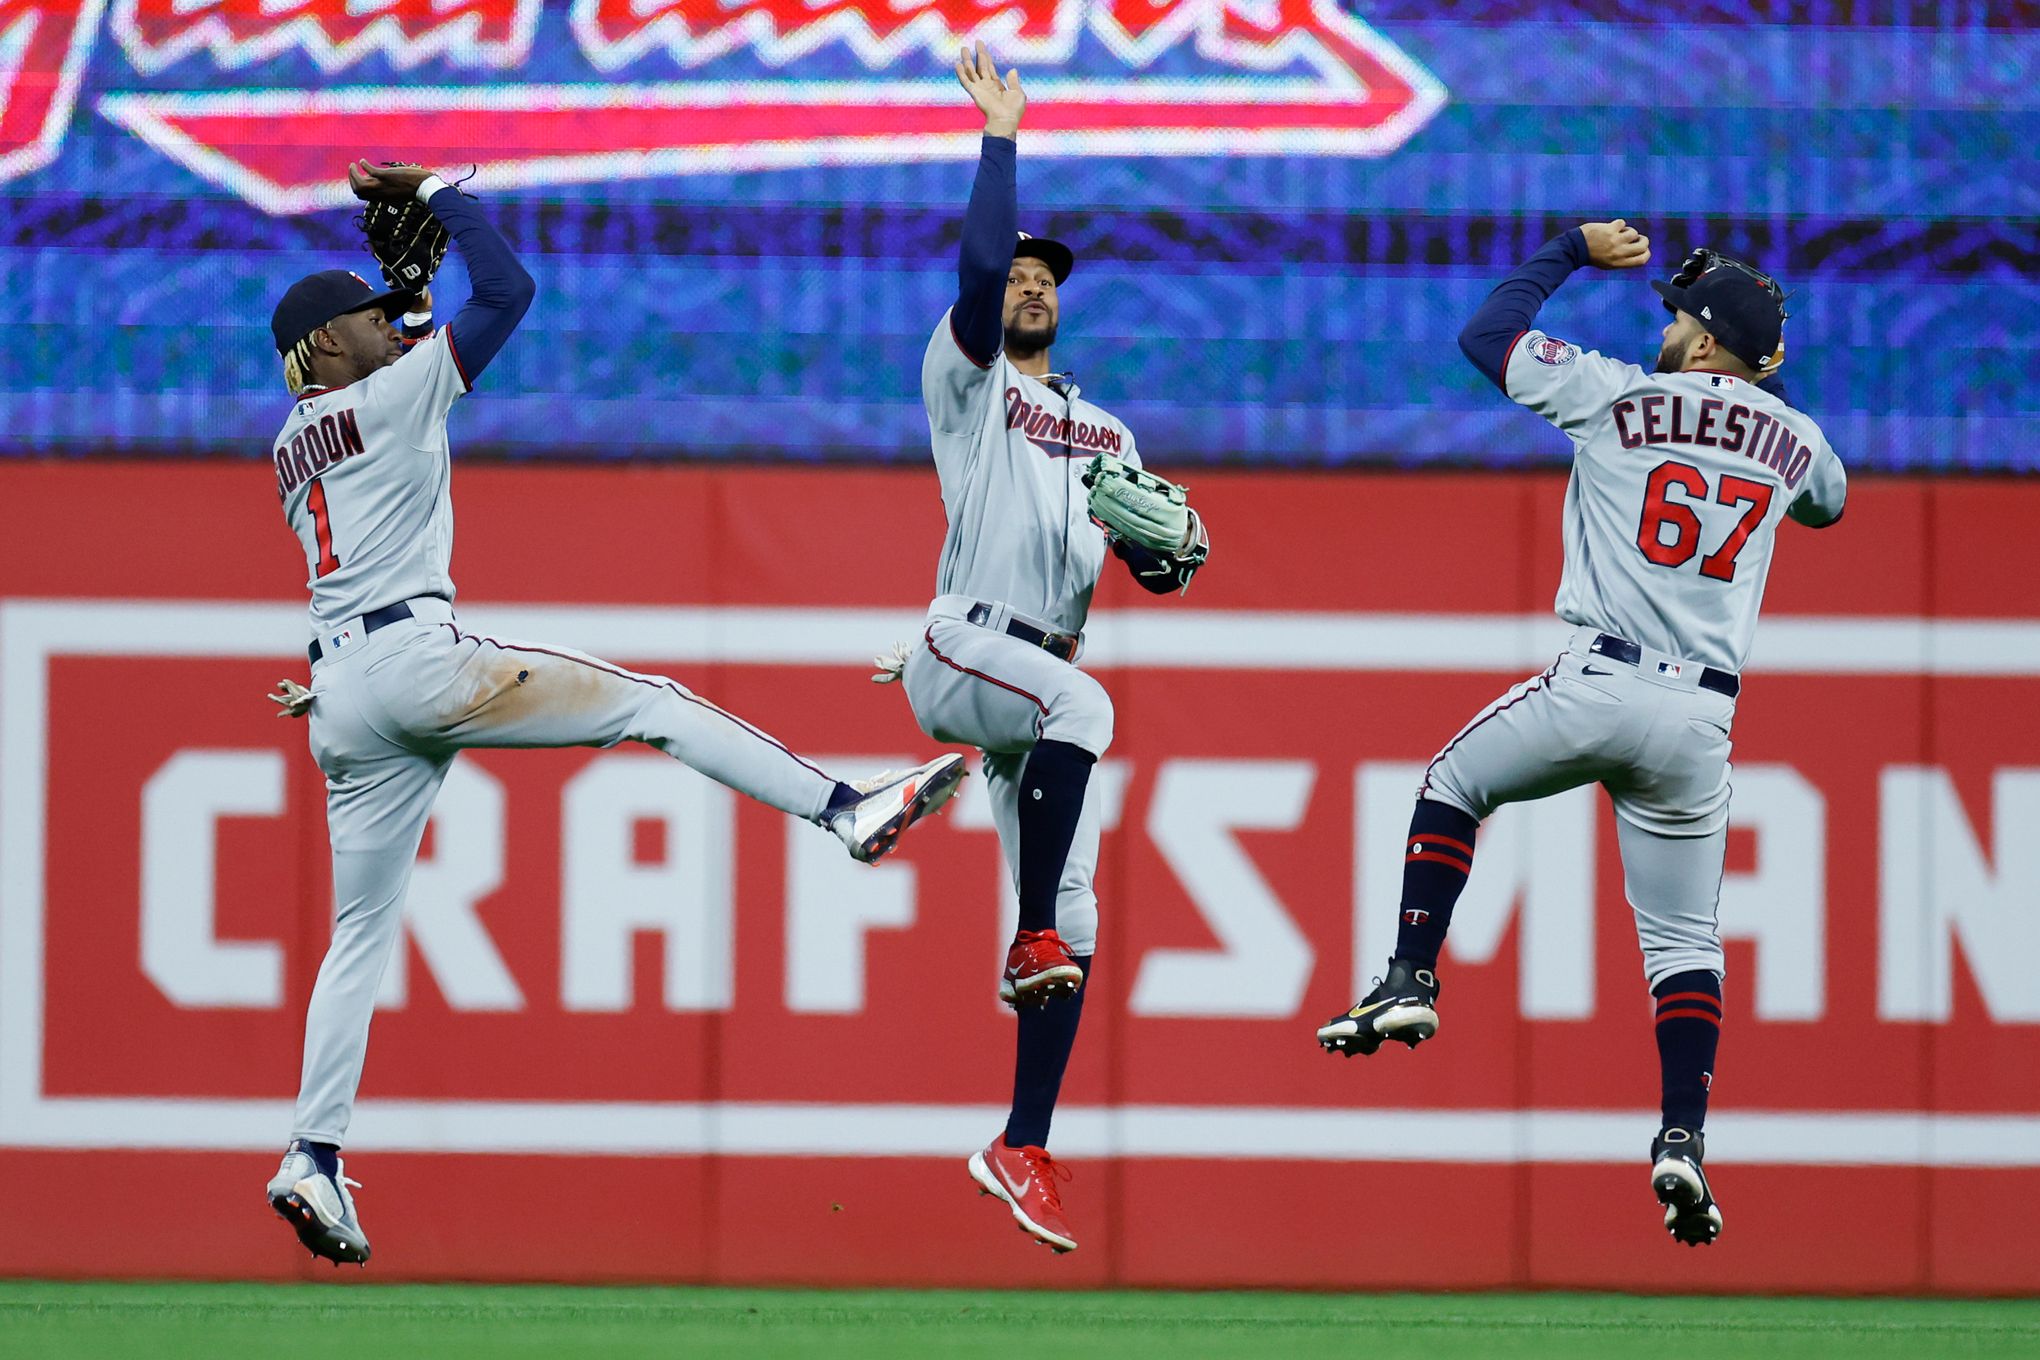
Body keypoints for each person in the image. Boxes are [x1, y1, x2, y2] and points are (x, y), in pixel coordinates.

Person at [263, 159, 967, 1265]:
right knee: (654, 702)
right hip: (413, 656)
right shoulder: (389, 392)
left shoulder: (292, 437)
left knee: (357, 935)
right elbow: (505, 296)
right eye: (358, 319)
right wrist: (449, 195)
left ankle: (312, 1151)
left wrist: (397, 297)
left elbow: (389, 355)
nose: (382, 325)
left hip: (342, 695)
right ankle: (839, 805)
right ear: (322, 350)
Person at [1316, 225, 1845, 1246]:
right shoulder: (1799, 439)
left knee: (1453, 784)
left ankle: (1411, 975)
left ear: (1701, 340)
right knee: (1684, 942)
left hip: (1602, 678)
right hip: (1702, 719)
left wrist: (1565, 250)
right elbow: (1828, 502)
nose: (1665, 329)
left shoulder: (1620, 396)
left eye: (1677, 318)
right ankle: (1682, 1137)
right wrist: (1762, 406)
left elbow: (1490, 334)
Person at [882, 44, 1210, 1254]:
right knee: (1087, 708)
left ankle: (1022, 1141)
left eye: (1044, 278)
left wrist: (1168, 555)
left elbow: (1155, 560)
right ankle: (1017, 935)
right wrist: (1001, 139)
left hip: (1032, 674)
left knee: (1075, 923)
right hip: (968, 640)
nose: (1028, 285)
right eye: (1018, 272)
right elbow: (974, 273)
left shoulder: (1106, 426)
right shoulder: (963, 383)